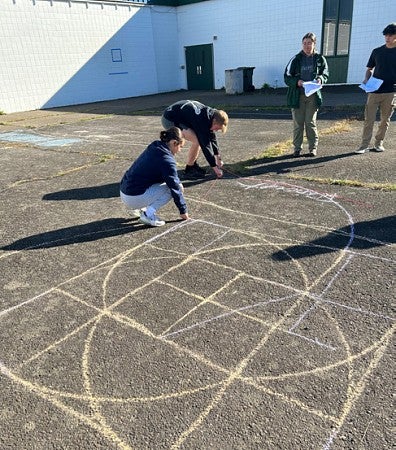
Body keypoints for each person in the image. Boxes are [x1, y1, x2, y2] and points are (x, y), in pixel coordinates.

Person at [120, 127, 189, 227]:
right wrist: (183, 210)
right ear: (174, 142)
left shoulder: (155, 145)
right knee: (174, 188)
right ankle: (147, 215)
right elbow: (175, 187)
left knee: (171, 183)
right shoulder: (167, 160)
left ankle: (140, 208)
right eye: (180, 147)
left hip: (124, 191)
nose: (180, 150)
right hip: (133, 197)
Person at [284, 32, 329, 157]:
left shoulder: (320, 59)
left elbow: (325, 74)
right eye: (304, 43)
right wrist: (297, 82)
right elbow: (287, 77)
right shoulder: (296, 59)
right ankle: (297, 148)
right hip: (297, 96)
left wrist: (321, 79)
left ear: (314, 44)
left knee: (310, 122)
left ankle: (312, 148)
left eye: (309, 43)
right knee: (298, 124)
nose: (307, 46)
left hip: (313, 96)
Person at [355, 23, 396, 154]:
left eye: (390, 35)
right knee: (369, 120)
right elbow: (369, 69)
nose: (387, 37)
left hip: (390, 91)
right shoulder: (377, 51)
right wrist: (366, 79)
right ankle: (363, 145)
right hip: (374, 91)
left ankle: (378, 143)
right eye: (386, 35)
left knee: (385, 120)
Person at [161, 100, 228, 178]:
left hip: (181, 116)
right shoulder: (202, 120)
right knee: (197, 141)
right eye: (217, 128)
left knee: (198, 139)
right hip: (169, 119)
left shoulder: (212, 115)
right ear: (214, 121)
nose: (216, 130)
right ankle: (189, 169)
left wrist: (218, 158)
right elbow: (205, 145)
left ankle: (193, 165)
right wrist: (215, 168)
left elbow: (212, 137)